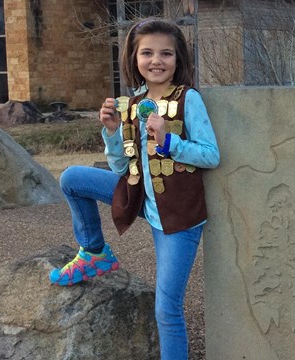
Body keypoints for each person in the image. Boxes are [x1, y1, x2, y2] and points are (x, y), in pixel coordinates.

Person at [49, 18, 220, 360]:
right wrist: (112, 131)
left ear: (178, 59)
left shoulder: (189, 99)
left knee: (166, 309)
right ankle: (94, 252)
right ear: (133, 58)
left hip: (178, 216)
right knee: (71, 179)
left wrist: (169, 141)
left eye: (166, 53)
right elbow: (120, 167)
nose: (156, 60)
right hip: (139, 196)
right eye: (147, 53)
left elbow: (211, 155)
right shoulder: (132, 103)